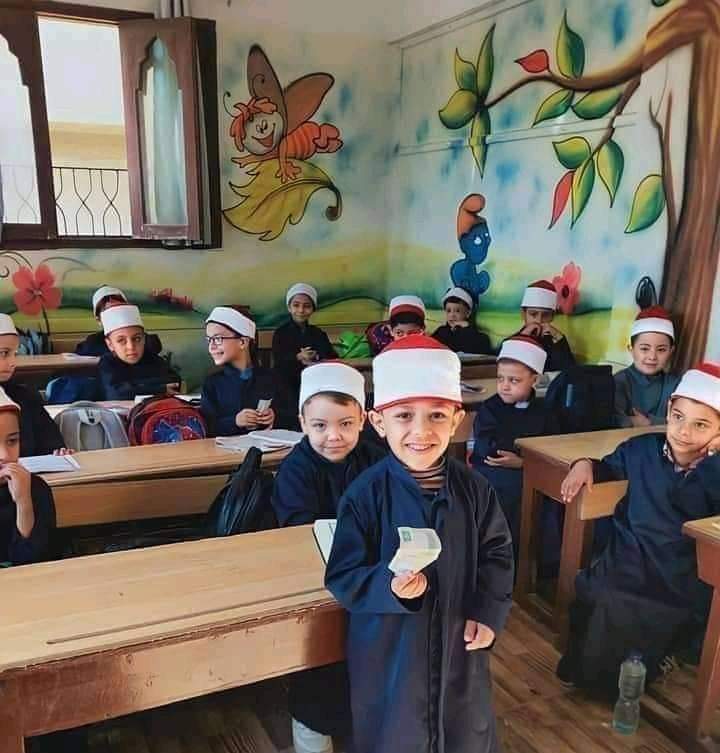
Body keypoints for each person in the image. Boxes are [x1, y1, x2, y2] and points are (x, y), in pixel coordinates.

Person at [326, 334, 514, 753]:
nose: (421, 431)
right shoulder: (364, 495)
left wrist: (488, 611)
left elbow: (497, 554)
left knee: (463, 728)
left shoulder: (475, 490)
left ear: (457, 419)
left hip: (458, 642)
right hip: (391, 653)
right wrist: (388, 585)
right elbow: (344, 575)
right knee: (395, 734)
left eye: (436, 416)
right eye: (404, 415)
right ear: (378, 422)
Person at [557, 362, 720, 693]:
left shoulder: (716, 470)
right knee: (604, 592)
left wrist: (710, 465)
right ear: (669, 411)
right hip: (631, 551)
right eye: (678, 417)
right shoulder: (641, 448)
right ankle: (595, 677)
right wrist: (584, 463)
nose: (684, 431)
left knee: (649, 608)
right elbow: (606, 467)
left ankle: (636, 672)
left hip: (681, 567)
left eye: (701, 425)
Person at [272, 362, 385, 753]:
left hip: (368, 588)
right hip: (316, 589)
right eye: (320, 425)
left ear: (363, 420)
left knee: (365, 673)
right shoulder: (296, 470)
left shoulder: (377, 461)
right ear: (302, 422)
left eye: (346, 424)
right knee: (317, 681)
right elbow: (299, 530)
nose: (333, 436)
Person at [471, 335, 557, 558]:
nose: (505, 386)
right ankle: (501, 553)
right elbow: (489, 448)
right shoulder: (490, 408)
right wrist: (524, 455)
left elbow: (550, 443)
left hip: (528, 468)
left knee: (553, 496)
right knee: (508, 495)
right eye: (500, 379)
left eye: (514, 380)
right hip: (492, 470)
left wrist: (523, 461)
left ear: (534, 380)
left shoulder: (543, 410)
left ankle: (541, 559)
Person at [201, 306, 278, 436]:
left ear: (243, 342)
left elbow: (292, 415)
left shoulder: (271, 378)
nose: (211, 347)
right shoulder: (212, 384)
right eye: (209, 340)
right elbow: (207, 428)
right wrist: (235, 421)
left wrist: (273, 416)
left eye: (218, 339)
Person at [0, 387, 55, 565]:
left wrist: (24, 502)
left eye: (12, 441)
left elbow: (35, 562)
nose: (4, 455)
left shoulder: (35, 489)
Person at [0, 314, 68, 456]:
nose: (13, 362)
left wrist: (59, 453)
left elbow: (51, 443)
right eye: (4, 353)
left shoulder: (25, 396)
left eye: (15, 354)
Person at [272, 283, 337, 409]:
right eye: (296, 305)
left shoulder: (318, 333)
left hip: (315, 384)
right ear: (289, 307)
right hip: (288, 387)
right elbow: (279, 362)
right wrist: (298, 357)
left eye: (306, 306)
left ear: (313, 309)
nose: (301, 310)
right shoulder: (281, 333)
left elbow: (331, 356)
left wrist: (315, 356)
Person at [613, 306, 679, 427]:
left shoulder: (676, 385)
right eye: (644, 349)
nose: (652, 357)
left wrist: (648, 422)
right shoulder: (619, 382)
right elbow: (614, 421)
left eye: (661, 350)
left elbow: (683, 422)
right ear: (631, 349)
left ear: (671, 351)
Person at [98, 305, 180, 400]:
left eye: (137, 339)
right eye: (121, 341)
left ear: (144, 339)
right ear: (110, 344)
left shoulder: (151, 357)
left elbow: (174, 382)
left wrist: (132, 386)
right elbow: (116, 393)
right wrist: (158, 388)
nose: (131, 347)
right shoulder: (107, 362)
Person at [75, 285, 162, 357]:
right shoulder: (93, 343)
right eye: (110, 312)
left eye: (119, 309)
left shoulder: (147, 340)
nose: (116, 316)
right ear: (99, 320)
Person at [518, 280, 575, 371]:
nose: (539, 320)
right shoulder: (510, 342)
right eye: (533, 314)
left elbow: (570, 371)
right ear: (523, 314)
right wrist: (522, 337)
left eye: (545, 315)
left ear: (552, 316)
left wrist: (558, 336)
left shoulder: (555, 343)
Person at [432, 286, 491, 354]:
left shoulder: (481, 338)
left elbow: (476, 349)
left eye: (457, 311)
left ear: (468, 313)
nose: (452, 315)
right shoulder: (441, 332)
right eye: (448, 311)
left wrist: (466, 329)